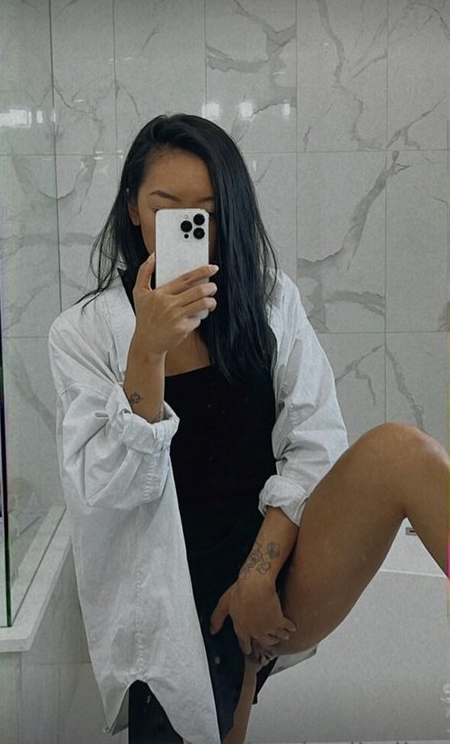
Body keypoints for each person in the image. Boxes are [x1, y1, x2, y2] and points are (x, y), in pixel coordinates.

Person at [48, 113, 448, 744]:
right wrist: (147, 352)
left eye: (205, 213)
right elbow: (110, 495)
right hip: (170, 595)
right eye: (165, 208)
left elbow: (315, 439)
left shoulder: (267, 299)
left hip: (275, 565)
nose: (188, 227)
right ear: (131, 208)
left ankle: (246, 646)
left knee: (402, 452)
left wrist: (259, 572)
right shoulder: (85, 333)